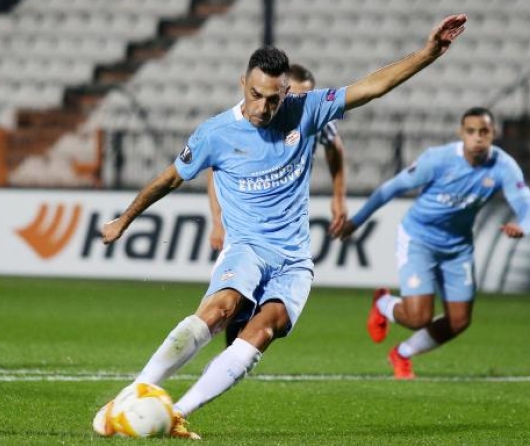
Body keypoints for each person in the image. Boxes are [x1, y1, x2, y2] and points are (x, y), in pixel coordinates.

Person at [92, 14, 467, 439]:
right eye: (256, 95)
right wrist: (125, 219)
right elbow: (170, 179)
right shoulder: (216, 133)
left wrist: (429, 52)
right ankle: (132, 393)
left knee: (262, 331)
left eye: (273, 99)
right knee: (219, 310)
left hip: (294, 261)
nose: (263, 108)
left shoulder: (305, 111)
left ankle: (176, 412)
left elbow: (371, 87)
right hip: (246, 248)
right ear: (243, 84)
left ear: (286, 92)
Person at [334, 107, 530, 379]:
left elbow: (527, 209)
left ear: (494, 133)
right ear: (461, 133)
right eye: (471, 131)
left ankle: (402, 353)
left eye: (484, 132)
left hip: (458, 248)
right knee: (418, 317)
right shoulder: (438, 159)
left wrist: (522, 227)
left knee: (459, 321)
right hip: (419, 239)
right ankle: (383, 303)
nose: (478, 138)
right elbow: (392, 187)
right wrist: (357, 221)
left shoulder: (504, 167)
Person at [207, 63, 349, 346]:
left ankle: (236, 356)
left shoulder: (312, 117)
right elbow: (215, 168)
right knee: (236, 297)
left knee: (269, 306)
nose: (300, 100)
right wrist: (217, 219)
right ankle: (231, 353)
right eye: (294, 94)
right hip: (248, 220)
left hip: (284, 223)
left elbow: (335, 148)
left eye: (306, 94)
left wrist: (338, 197)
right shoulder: (250, 122)